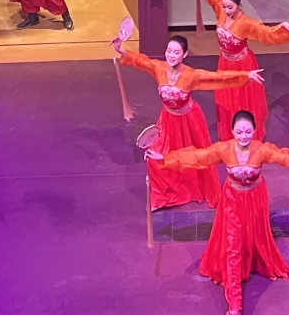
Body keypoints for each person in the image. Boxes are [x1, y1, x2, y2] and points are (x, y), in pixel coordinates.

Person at [148, 109, 289, 315]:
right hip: (232, 201)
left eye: (248, 132)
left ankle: (251, 261)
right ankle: (234, 305)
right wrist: (165, 159)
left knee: (253, 237)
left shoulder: (262, 150)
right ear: (232, 131)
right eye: (239, 132)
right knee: (233, 248)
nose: (243, 136)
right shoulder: (224, 149)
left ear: (254, 131)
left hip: (255, 199)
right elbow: (197, 157)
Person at [112, 31, 263, 209]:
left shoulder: (191, 75)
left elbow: (217, 77)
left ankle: (195, 188)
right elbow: (141, 61)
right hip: (167, 119)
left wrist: (245, 75)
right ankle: (165, 195)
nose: (171, 55)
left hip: (190, 120)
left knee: (195, 155)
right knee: (156, 156)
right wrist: (120, 50)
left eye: (176, 52)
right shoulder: (159, 68)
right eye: (169, 51)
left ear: (184, 55)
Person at [180, 0, 289, 139]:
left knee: (243, 100)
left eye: (230, 7)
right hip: (225, 63)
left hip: (242, 64)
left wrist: (283, 27)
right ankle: (230, 128)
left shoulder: (245, 23)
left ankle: (245, 131)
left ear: (238, 5)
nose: (226, 10)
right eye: (224, 7)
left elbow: (266, 32)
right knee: (226, 98)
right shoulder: (221, 12)